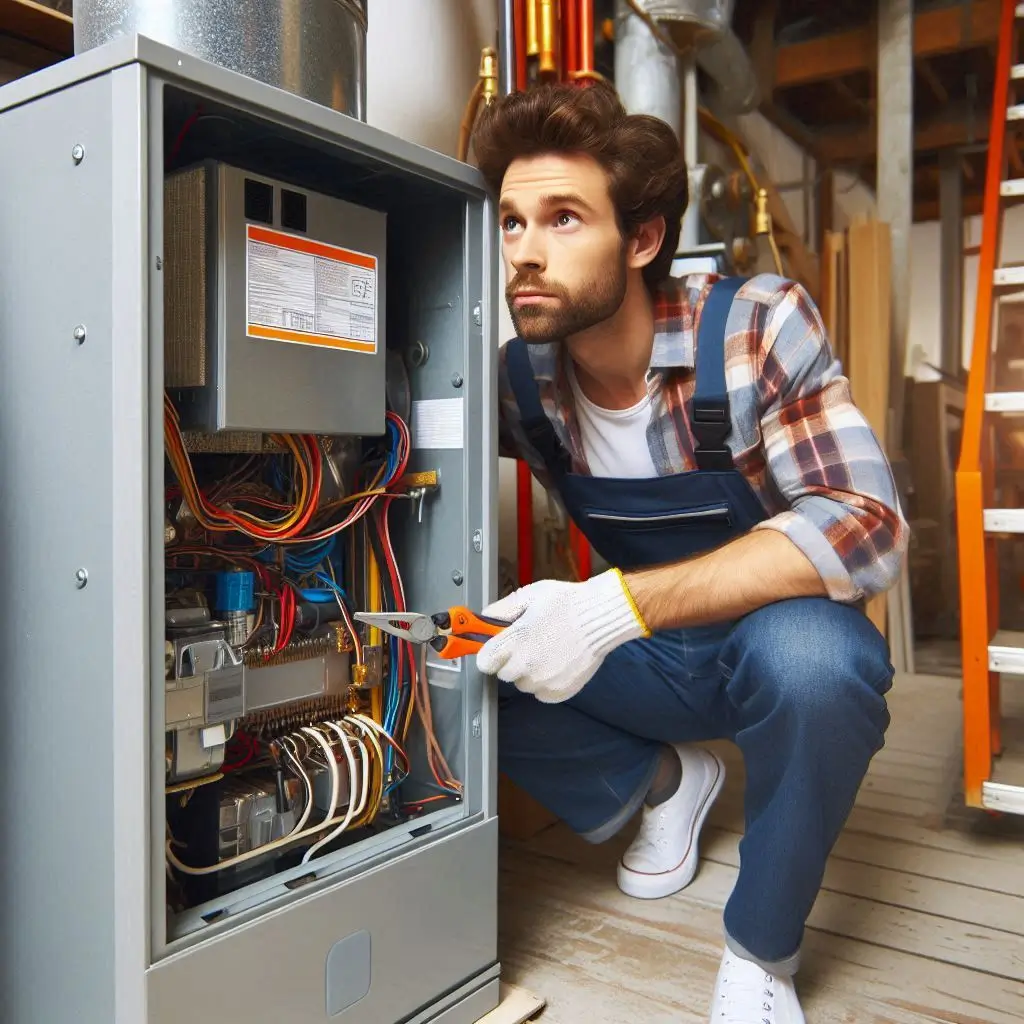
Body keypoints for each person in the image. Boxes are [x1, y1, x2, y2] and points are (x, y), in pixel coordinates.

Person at [469, 81, 908, 1024]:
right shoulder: (521, 381)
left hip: (767, 641)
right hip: (659, 662)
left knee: (816, 664)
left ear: (641, 240)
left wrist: (609, 609)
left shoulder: (753, 325)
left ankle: (761, 950)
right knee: (465, 650)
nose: (526, 253)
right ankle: (664, 782)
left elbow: (865, 521)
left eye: (563, 218)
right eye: (510, 223)